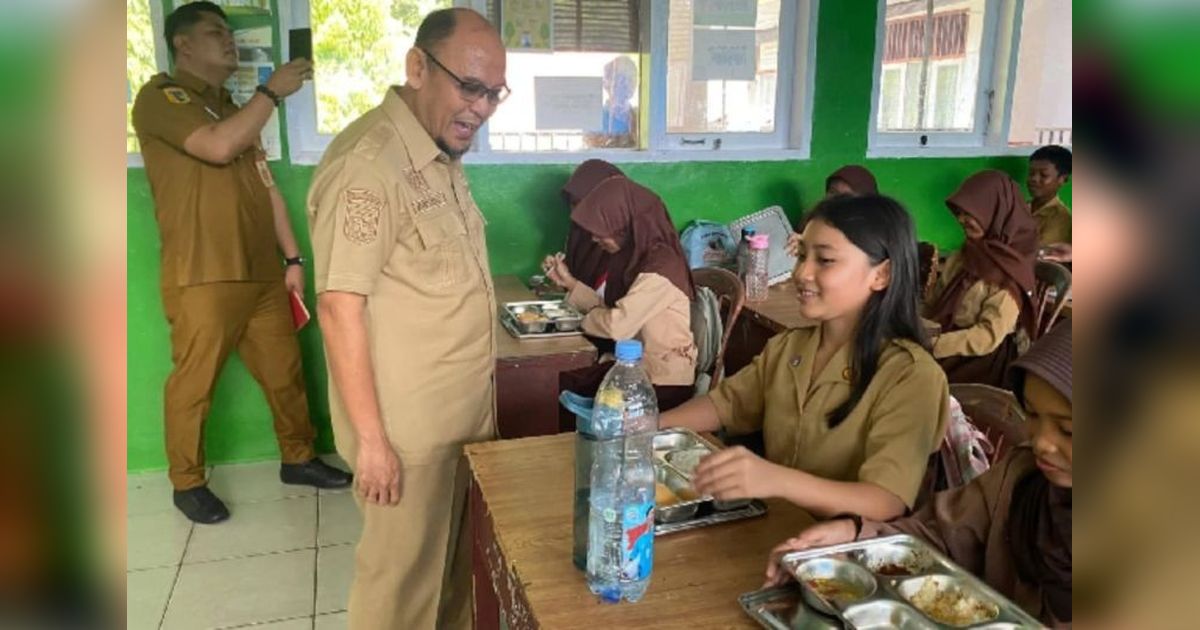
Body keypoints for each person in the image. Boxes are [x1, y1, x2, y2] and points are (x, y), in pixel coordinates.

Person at [306, 8, 507, 629]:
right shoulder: (370, 168)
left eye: (494, 93)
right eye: (469, 86)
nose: (481, 107)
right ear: (417, 67)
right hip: (406, 438)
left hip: (459, 425)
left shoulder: (438, 156)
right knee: (398, 596)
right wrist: (372, 444)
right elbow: (339, 306)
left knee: (450, 583)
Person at [131, 1, 351, 524]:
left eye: (229, 32)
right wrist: (272, 91)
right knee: (194, 383)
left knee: (286, 372)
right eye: (215, 32)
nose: (228, 40)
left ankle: (297, 458)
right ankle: (187, 482)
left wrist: (292, 257)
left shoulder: (232, 104)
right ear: (184, 44)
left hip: (261, 273)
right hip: (202, 273)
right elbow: (215, 147)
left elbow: (267, 187)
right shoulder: (161, 97)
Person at [660, 195, 949, 521]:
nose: (802, 273)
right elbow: (726, 404)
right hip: (777, 529)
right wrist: (648, 428)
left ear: (881, 275)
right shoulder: (790, 348)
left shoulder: (910, 376)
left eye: (824, 260)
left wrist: (775, 479)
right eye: (801, 257)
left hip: (839, 556)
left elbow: (884, 501)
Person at [765, 323, 1073, 627]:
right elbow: (935, 537)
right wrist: (850, 536)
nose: (1042, 442)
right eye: (1032, 414)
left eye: (1068, 429)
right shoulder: (1020, 479)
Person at [544, 165, 698, 413]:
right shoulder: (635, 256)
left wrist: (582, 319)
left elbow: (617, 325)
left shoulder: (661, 268)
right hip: (634, 367)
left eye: (600, 233)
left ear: (624, 226)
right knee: (556, 383)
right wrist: (570, 284)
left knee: (555, 386)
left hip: (661, 381)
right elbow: (616, 313)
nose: (594, 240)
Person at [926, 170, 1038, 386]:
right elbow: (935, 302)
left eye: (970, 214)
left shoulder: (1009, 271)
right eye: (959, 213)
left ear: (996, 212)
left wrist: (934, 344)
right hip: (949, 339)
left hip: (982, 360)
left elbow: (987, 336)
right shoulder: (967, 254)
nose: (961, 220)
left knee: (915, 384)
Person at [787, 165, 879, 256]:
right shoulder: (815, 220)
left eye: (847, 196)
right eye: (833, 192)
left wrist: (811, 249)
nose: (838, 200)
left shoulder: (874, 234)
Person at [1027, 145, 1073, 248]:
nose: (1034, 179)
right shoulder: (1022, 206)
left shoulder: (1061, 218)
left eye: (1043, 175)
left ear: (1062, 179)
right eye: (1031, 173)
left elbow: (1037, 254)